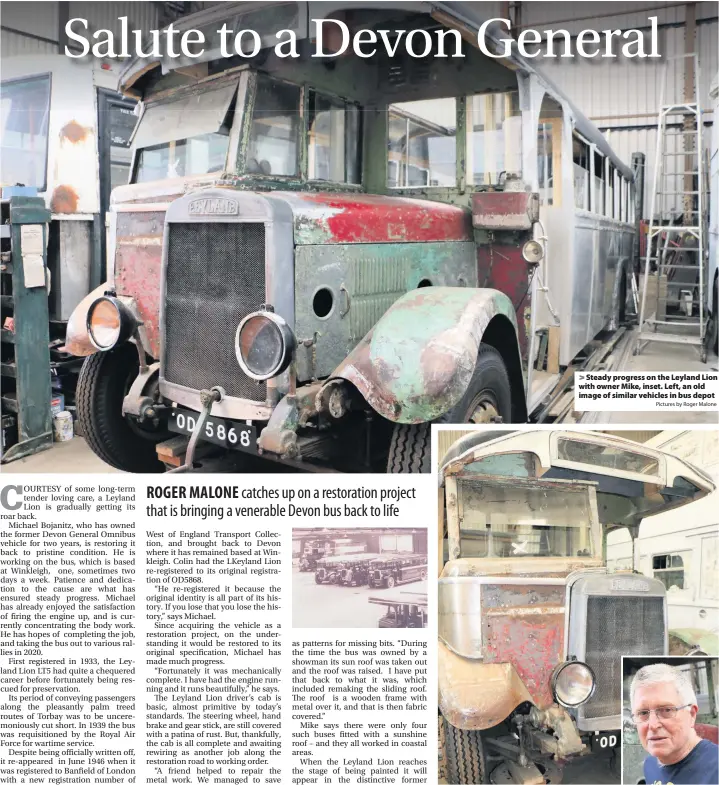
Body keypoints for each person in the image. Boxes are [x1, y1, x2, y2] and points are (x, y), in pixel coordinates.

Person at [630, 663, 719, 785]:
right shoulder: (650, 765)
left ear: (692, 714)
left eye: (666, 710)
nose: (653, 724)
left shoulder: (715, 771)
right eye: (643, 713)